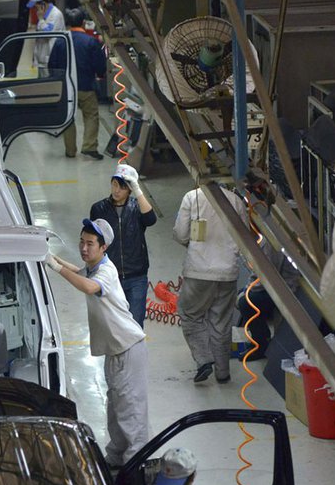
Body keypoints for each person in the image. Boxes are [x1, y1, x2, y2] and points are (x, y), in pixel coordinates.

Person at [45, 219, 148, 467]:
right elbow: (79, 272)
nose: (83, 247)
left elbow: (89, 287)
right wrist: (50, 257)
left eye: (90, 243)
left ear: (104, 247)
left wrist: (56, 267)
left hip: (128, 348)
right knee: (115, 409)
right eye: (81, 241)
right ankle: (116, 459)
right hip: (115, 351)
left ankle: (135, 466)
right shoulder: (93, 268)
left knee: (130, 411)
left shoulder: (106, 272)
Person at [173, 185, 248, 383]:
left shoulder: (192, 197)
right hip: (227, 273)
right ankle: (223, 373)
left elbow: (181, 234)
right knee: (221, 323)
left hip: (198, 270)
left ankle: (204, 360)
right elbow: (245, 239)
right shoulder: (236, 201)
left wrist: (194, 245)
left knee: (190, 314)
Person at [89, 164, 155, 328]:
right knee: (111, 326)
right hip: (110, 277)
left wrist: (138, 190)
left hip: (136, 276)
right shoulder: (99, 209)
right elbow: (93, 241)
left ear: (130, 190)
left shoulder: (137, 208)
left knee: (135, 326)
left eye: (122, 187)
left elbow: (150, 219)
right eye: (114, 185)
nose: (117, 190)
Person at [48, 8, 106, 159]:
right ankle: (89, 147)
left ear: (67, 23)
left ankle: (70, 150)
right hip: (86, 86)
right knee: (91, 115)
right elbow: (100, 65)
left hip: (66, 88)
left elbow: (51, 65)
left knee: (69, 118)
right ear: (83, 22)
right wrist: (100, 74)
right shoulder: (91, 41)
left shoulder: (60, 41)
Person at [236, 239, 300, 360]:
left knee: (246, 302)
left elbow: (265, 274)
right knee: (246, 296)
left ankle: (260, 345)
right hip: (278, 286)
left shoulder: (273, 242)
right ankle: (259, 340)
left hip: (284, 289)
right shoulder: (272, 239)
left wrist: (247, 291)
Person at [28, 0, 65, 76]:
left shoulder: (55, 14)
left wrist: (41, 20)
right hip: (41, 61)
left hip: (49, 61)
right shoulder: (43, 14)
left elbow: (48, 34)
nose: (35, 9)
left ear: (43, 4)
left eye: (35, 7)